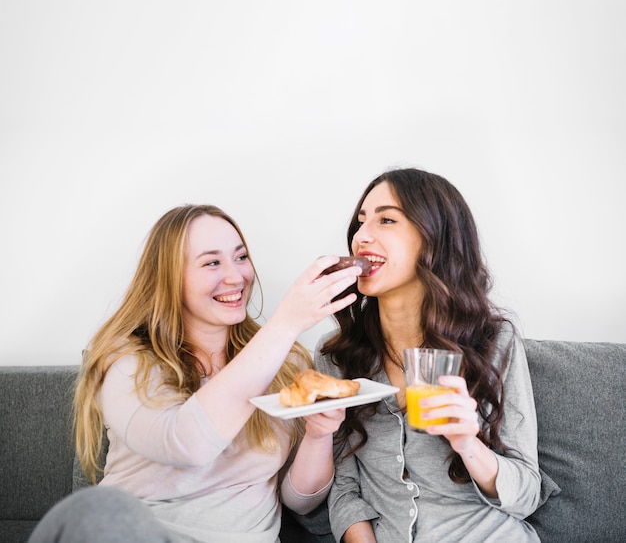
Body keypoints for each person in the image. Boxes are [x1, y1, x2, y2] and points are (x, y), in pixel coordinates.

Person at [29, 204, 363, 543]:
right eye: (212, 262)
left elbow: (300, 501)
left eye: (241, 257)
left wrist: (318, 436)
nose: (236, 277)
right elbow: (186, 444)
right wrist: (286, 323)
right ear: (170, 278)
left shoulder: (285, 362)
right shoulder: (125, 360)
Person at [314, 168, 548, 543]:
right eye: (360, 223)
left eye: (386, 219)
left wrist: (468, 444)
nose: (361, 237)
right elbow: (344, 490)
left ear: (434, 239)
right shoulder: (338, 357)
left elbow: (526, 495)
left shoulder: (493, 341)